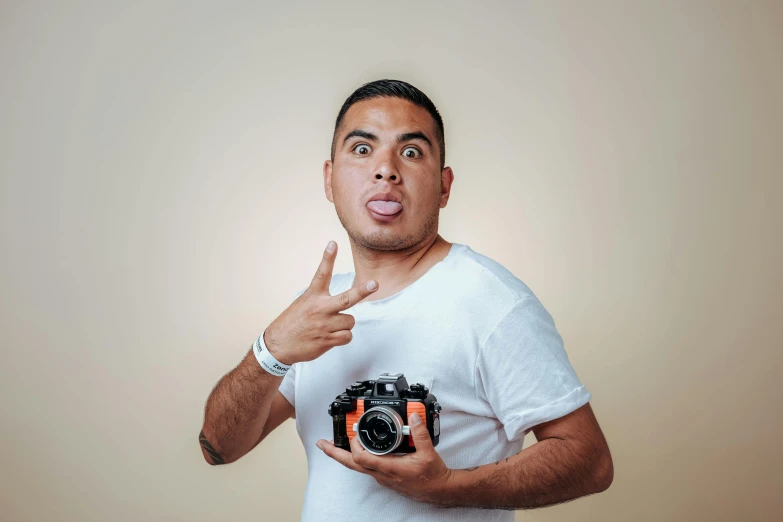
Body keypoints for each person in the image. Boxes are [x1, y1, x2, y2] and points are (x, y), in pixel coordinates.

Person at [199, 79, 613, 521]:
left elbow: (590, 461)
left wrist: (446, 487)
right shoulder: (318, 307)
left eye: (411, 152)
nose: (386, 170)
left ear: (444, 186)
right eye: (362, 149)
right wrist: (270, 351)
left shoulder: (489, 301)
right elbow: (220, 449)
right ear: (329, 178)